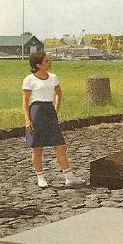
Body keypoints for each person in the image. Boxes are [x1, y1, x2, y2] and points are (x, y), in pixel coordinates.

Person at [22, 52, 84, 188]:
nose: (49, 62)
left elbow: (58, 94)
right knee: (37, 148)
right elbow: (25, 103)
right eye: (46, 61)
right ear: (38, 65)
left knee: (61, 146)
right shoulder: (29, 80)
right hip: (36, 112)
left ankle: (69, 177)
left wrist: (56, 109)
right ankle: (40, 177)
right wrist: (27, 120)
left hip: (50, 112)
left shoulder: (53, 77)